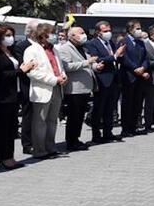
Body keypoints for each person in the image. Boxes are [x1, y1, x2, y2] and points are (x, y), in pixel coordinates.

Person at [0, 25, 37, 170]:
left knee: (11, 128)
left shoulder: (11, 51)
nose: (10, 38)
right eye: (6, 35)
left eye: (11, 35)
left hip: (15, 94)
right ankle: (4, 158)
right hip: (1, 96)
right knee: (2, 129)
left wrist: (27, 67)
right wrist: (21, 71)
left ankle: (10, 156)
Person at [24, 23, 68, 159]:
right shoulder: (31, 50)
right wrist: (53, 79)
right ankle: (39, 149)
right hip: (43, 89)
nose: (54, 36)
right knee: (40, 121)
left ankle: (51, 147)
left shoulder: (54, 49)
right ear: (43, 34)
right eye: (51, 33)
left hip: (57, 88)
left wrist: (63, 75)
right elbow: (32, 72)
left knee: (52, 120)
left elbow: (59, 66)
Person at [56, 26, 98, 151]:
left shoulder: (82, 48)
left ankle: (76, 139)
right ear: (72, 36)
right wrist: (87, 62)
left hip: (85, 88)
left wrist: (96, 66)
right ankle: (71, 141)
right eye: (81, 33)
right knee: (74, 116)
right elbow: (67, 66)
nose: (84, 35)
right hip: (74, 89)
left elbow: (89, 63)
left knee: (79, 116)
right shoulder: (65, 49)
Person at [84, 21, 123, 143]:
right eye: (105, 31)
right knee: (99, 108)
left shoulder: (110, 42)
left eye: (109, 30)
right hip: (102, 79)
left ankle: (108, 132)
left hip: (113, 79)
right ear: (98, 32)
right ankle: (96, 135)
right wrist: (115, 56)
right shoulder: (92, 44)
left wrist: (117, 57)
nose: (108, 33)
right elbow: (96, 59)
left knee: (110, 108)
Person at [119, 20, 149, 136]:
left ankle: (134, 126)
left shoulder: (141, 42)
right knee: (127, 104)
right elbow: (124, 58)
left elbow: (146, 58)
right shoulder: (123, 41)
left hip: (140, 77)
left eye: (140, 28)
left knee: (137, 103)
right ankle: (125, 129)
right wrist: (135, 68)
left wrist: (143, 68)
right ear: (130, 29)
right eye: (137, 28)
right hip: (129, 76)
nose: (139, 31)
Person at [12, 21, 37, 155]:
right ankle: (27, 144)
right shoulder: (21, 46)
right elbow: (24, 66)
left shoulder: (42, 45)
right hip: (27, 84)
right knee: (29, 114)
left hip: (42, 84)